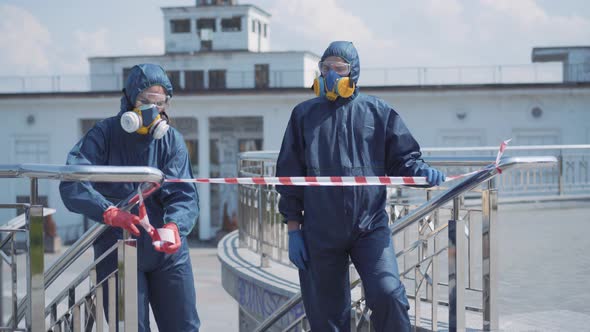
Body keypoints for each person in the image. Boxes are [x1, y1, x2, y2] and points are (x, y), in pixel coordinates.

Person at [276, 41, 445, 331]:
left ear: (354, 73)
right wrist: (294, 229)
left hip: (369, 227)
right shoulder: (303, 115)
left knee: (388, 293)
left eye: (338, 69)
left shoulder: (377, 112)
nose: (330, 75)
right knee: (327, 317)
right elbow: (290, 176)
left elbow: (403, 157)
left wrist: (420, 171)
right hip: (320, 231)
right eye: (325, 68)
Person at [59, 64, 200, 331]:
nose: (151, 110)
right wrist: (107, 211)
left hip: (166, 249)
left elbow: (184, 194)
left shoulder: (171, 141)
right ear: (129, 100)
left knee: (184, 325)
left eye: (159, 103)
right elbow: (72, 180)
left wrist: (175, 225)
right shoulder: (104, 134)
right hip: (117, 246)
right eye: (145, 101)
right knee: (129, 327)